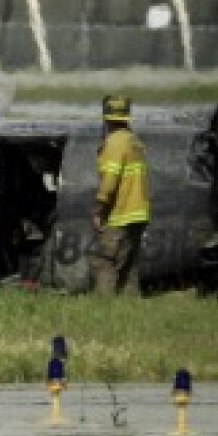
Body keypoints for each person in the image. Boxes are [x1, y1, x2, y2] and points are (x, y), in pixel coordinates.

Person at [90, 96, 151, 295]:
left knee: (104, 260)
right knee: (128, 265)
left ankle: (103, 308)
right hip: (139, 212)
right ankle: (131, 307)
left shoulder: (115, 143)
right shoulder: (135, 142)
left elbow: (109, 182)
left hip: (121, 213)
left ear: (107, 119)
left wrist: (99, 210)